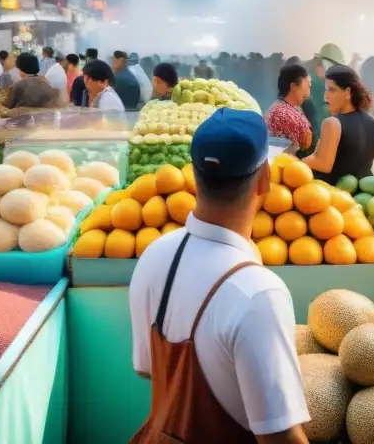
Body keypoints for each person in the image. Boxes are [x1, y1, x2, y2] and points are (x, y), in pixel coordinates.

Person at [129, 108, 309, 443]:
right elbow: (281, 437)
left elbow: (147, 369)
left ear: (194, 176)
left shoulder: (154, 254)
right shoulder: (258, 294)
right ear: (265, 179)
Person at [304, 65, 374, 184]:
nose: (326, 96)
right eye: (326, 90)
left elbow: (323, 164)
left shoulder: (332, 123)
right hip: (363, 199)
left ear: (348, 92)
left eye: (332, 90)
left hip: (334, 198)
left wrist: (294, 160)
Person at [264, 64, 313, 155]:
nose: (308, 93)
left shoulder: (289, 107)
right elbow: (306, 142)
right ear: (293, 86)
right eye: (307, 86)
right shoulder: (283, 113)